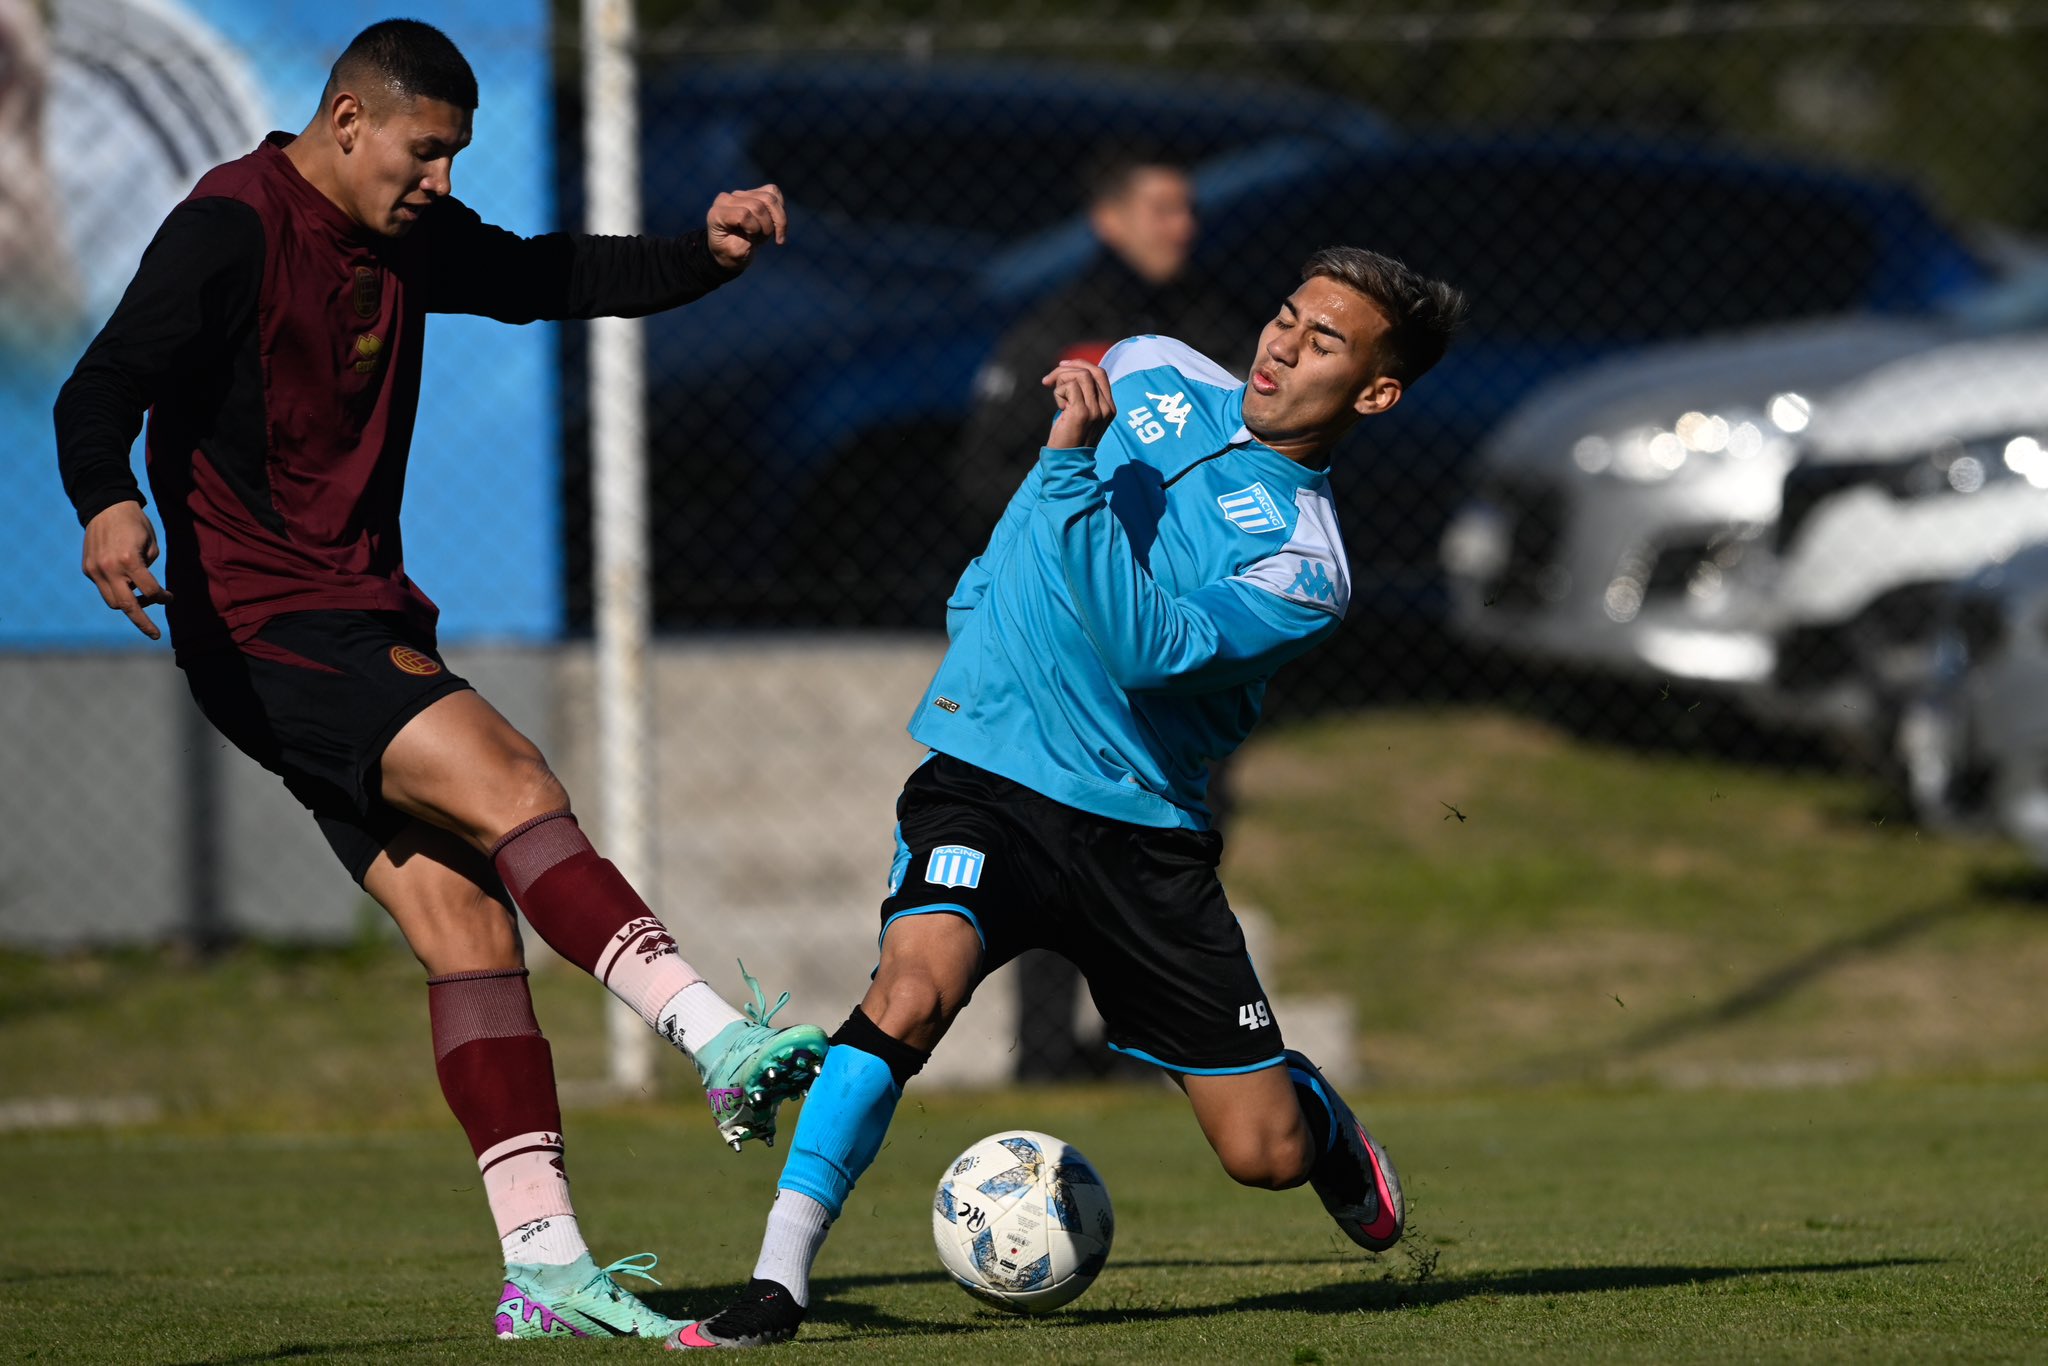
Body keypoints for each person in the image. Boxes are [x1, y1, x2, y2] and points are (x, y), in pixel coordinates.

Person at [53, 19, 826, 1342]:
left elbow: (545, 274)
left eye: (457, 156)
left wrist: (706, 255)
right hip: (268, 621)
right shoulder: (231, 227)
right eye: (426, 151)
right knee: (515, 776)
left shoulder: (405, 234)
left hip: (329, 622)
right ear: (346, 121)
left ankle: (546, 1264)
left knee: (470, 932)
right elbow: (100, 386)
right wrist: (107, 502)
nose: (442, 182)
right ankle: (714, 1036)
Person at [667, 246, 1468, 1349]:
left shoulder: (1303, 567)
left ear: (1375, 391)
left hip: (1141, 835)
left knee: (1260, 1154)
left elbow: (1147, 647)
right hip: (989, 776)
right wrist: (981, 627)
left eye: (1323, 340)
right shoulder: (1147, 367)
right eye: (1286, 313)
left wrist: (1064, 469)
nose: (1281, 343)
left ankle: (1316, 1121)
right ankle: (777, 1278)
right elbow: (1023, 531)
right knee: (908, 992)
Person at [956, 151, 1235, 1081]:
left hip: (1165, 644)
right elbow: (985, 475)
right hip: (1068, 645)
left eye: (1189, 208)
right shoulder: (1061, 335)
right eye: (1163, 208)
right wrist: (1087, 524)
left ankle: (1159, 1039)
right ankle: (1042, 1052)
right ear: (1109, 221)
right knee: (1047, 836)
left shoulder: (1211, 333)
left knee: (1172, 836)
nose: (1182, 226)